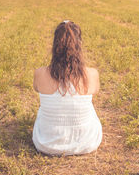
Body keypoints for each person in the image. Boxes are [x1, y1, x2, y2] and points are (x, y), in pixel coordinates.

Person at [32, 20, 103, 155]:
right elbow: (96, 91)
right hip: (87, 143)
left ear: (54, 45)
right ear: (79, 44)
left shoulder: (40, 73)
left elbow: (36, 88)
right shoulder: (92, 74)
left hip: (45, 143)